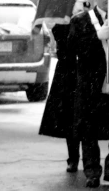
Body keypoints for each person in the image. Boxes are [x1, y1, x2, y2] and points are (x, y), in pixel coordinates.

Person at [66, 0, 109, 187]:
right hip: (89, 84)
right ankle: (92, 171)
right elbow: (72, 48)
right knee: (88, 130)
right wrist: (94, 38)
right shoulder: (81, 20)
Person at [39, 12, 81, 173]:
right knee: (69, 118)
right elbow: (62, 44)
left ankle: (91, 160)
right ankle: (73, 158)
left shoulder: (89, 21)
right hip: (67, 76)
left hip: (87, 74)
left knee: (87, 119)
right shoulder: (62, 25)